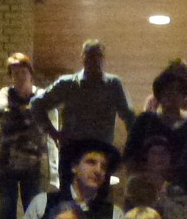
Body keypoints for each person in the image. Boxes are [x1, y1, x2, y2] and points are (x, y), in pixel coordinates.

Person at [32, 40, 135, 188]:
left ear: (103, 59)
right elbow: (36, 104)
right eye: (90, 56)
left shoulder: (113, 85)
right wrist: (53, 133)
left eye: (98, 56)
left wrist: (131, 149)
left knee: (98, 200)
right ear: (83, 58)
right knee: (70, 198)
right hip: (72, 155)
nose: (94, 60)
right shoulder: (68, 84)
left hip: (100, 156)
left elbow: (129, 116)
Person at [13, 138, 122, 219]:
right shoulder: (42, 203)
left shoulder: (115, 214)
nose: (98, 171)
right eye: (91, 162)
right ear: (74, 167)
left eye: (103, 166)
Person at [0, 52, 49, 219]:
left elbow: (37, 114)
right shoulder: (4, 93)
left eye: (23, 72)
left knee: (33, 209)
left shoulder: (41, 95)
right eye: (15, 73)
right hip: (6, 162)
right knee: (7, 209)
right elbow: (2, 112)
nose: (19, 77)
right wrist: (27, 114)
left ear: (30, 73)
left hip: (33, 164)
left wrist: (19, 114)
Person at [124, 60, 187, 167]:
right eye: (167, 90)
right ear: (159, 94)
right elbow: (129, 157)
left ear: (184, 95)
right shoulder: (145, 121)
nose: (172, 94)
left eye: (177, 90)